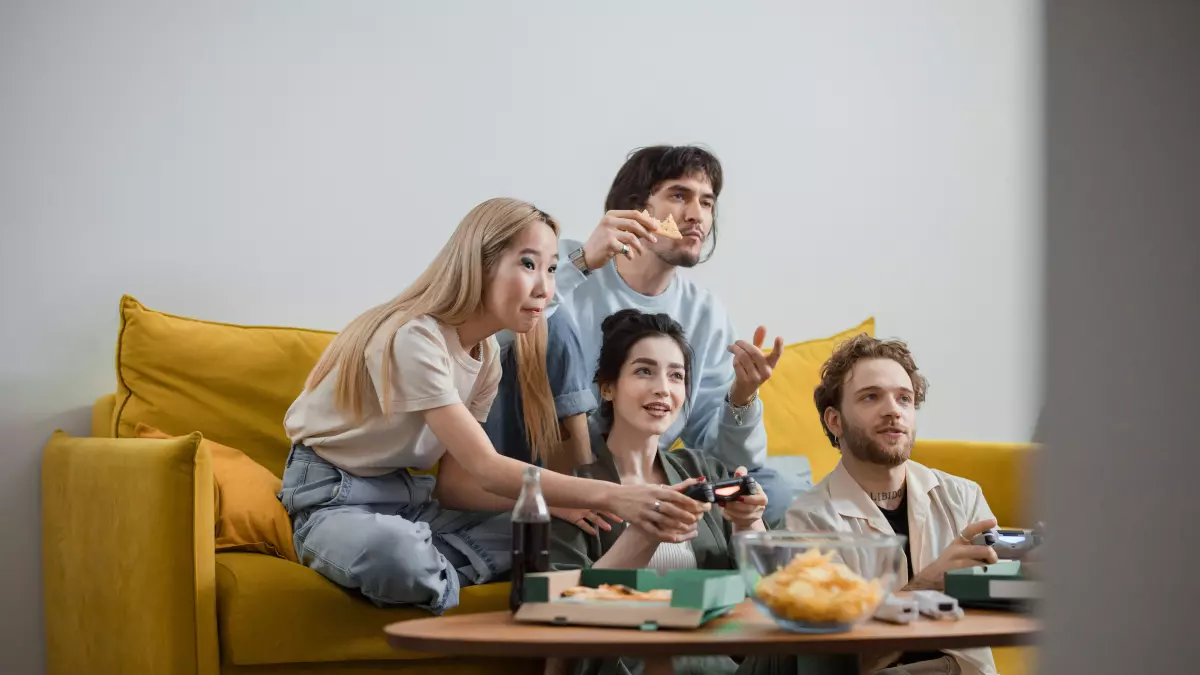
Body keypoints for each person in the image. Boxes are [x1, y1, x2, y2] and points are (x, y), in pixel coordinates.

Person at [278, 198, 707, 614]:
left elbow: (456, 486)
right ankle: (403, 560)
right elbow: (486, 466)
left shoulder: (485, 360)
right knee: (398, 555)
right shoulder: (415, 338)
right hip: (333, 497)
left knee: (544, 536)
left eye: (552, 268)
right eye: (528, 264)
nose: (544, 287)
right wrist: (618, 496)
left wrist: (551, 506)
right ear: (480, 265)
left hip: (409, 499)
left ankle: (434, 565)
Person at [491, 144, 792, 525]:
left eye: (707, 202)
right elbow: (490, 344)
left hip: (643, 470)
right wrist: (582, 263)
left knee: (772, 488)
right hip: (548, 460)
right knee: (556, 326)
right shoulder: (561, 265)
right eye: (679, 195)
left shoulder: (706, 314)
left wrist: (742, 398)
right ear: (635, 207)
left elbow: (728, 461)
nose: (696, 215)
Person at [549, 309, 774, 675]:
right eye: (644, 371)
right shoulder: (576, 489)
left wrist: (750, 525)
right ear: (607, 387)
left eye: (676, 376)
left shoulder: (706, 471)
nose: (663, 389)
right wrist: (644, 534)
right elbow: (562, 608)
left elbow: (766, 594)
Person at [785, 335, 1001, 675]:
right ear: (834, 421)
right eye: (871, 397)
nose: (893, 410)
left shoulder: (963, 496)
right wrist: (926, 586)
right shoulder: (808, 520)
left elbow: (1002, 614)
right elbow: (832, 663)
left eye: (905, 399)